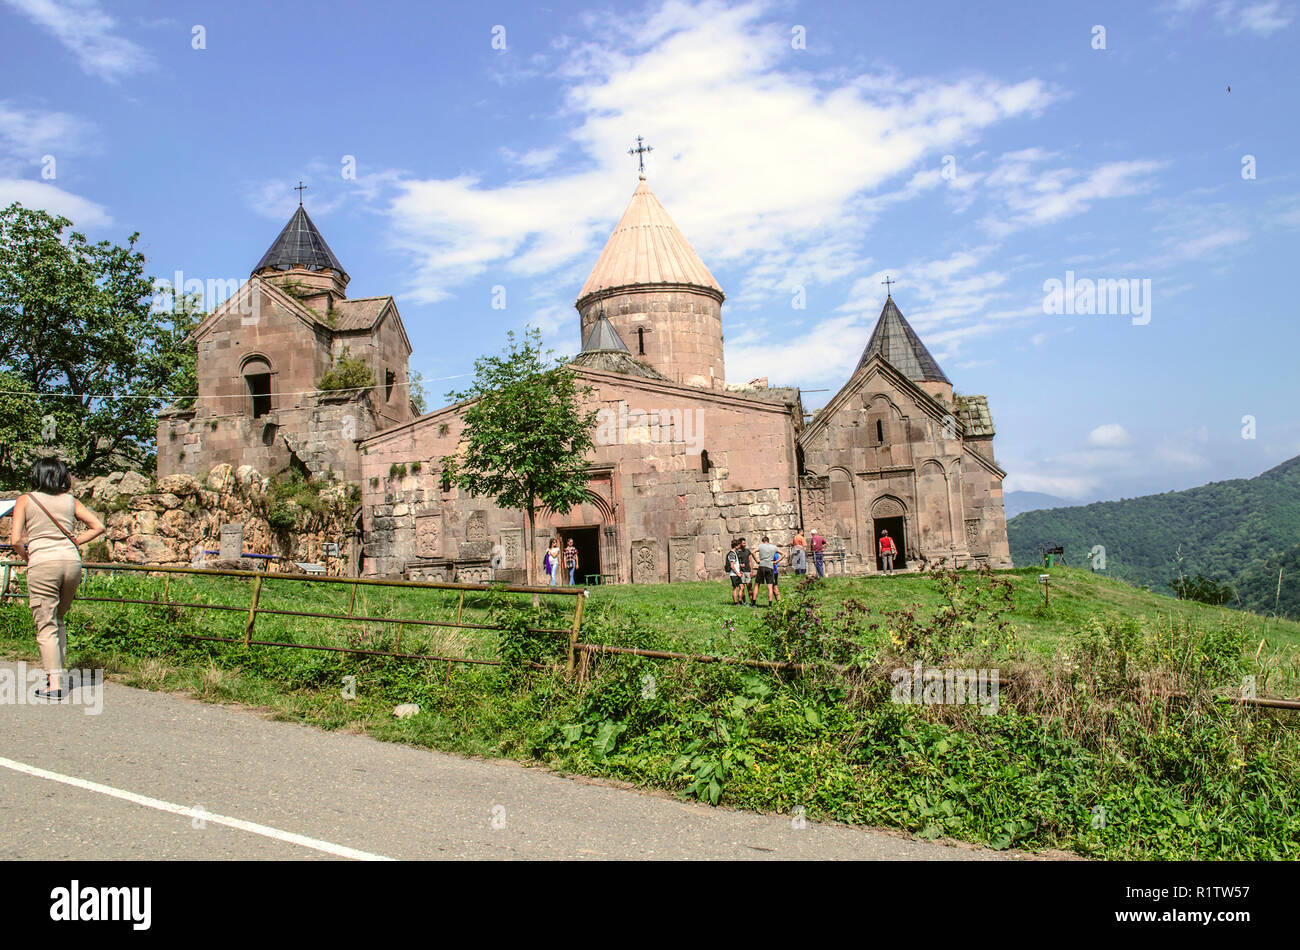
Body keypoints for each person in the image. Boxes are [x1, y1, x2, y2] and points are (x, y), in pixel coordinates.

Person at [8, 458, 104, 700]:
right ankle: (57, 675)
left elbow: (15, 540)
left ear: (37, 475)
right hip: (71, 562)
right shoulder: (71, 501)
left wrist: (26, 556)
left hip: (43, 562)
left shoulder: (25, 499)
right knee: (58, 619)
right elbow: (98, 526)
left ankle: (54, 685)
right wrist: (75, 541)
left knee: (45, 625)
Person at [755, 536, 780, 606]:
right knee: (772, 587)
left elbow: (752, 552)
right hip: (771, 568)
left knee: (758, 584)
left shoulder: (762, 547)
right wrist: (776, 562)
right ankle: (774, 603)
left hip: (767, 568)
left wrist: (757, 560)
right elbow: (782, 555)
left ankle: (779, 602)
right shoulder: (773, 549)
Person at [734, 537, 756, 607]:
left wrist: (751, 571)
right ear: (740, 544)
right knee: (742, 588)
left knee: (749, 588)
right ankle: (744, 602)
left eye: (745, 543)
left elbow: (750, 561)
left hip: (748, 571)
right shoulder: (737, 552)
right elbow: (734, 563)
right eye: (743, 543)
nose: (745, 544)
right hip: (741, 572)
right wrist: (740, 566)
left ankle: (752, 602)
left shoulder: (747, 551)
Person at [725, 538, 744, 604]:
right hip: (734, 574)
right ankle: (735, 602)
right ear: (736, 546)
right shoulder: (732, 554)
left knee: (742, 587)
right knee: (735, 588)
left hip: (737, 573)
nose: (740, 546)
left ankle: (740, 601)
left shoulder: (735, 553)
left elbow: (735, 564)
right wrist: (737, 573)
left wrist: (740, 569)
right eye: (739, 545)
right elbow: (732, 565)